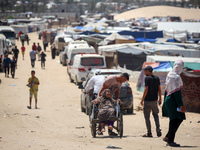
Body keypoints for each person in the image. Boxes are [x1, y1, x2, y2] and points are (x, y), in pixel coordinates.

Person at [162, 60, 186, 147]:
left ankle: (168, 136)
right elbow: (176, 93)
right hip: (174, 101)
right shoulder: (176, 77)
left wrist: (165, 101)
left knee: (179, 118)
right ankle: (170, 141)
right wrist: (181, 105)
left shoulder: (169, 74)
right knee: (175, 119)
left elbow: (166, 89)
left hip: (168, 99)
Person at [140, 66, 162, 137]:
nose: (144, 73)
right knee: (156, 115)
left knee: (147, 117)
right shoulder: (157, 78)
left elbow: (146, 89)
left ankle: (149, 133)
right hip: (155, 100)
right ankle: (158, 128)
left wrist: (142, 99)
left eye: (145, 71)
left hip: (148, 101)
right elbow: (159, 89)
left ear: (148, 71)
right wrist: (160, 98)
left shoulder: (147, 78)